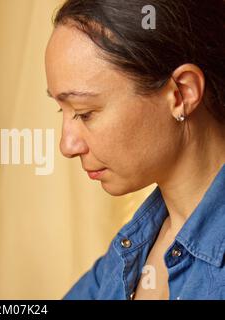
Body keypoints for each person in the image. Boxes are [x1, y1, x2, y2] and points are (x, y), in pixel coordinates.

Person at [45, 0, 225, 299]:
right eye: (61, 110)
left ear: (182, 94)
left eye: (84, 112)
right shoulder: (130, 252)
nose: (67, 146)